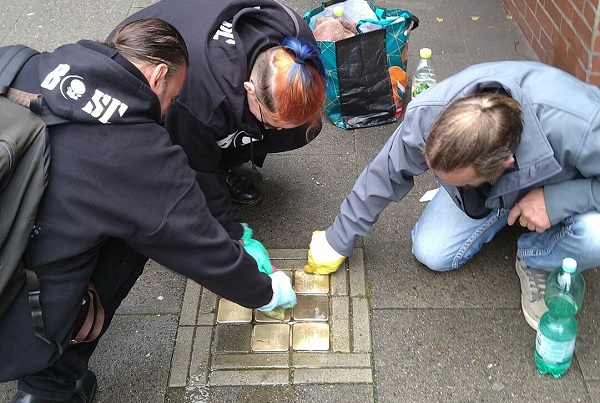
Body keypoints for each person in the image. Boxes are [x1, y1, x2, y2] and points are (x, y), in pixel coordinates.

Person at [0, 18, 295, 403]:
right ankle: (49, 388)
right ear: (157, 77)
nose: (169, 109)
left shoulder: (18, 64)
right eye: (173, 97)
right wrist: (264, 291)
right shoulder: (141, 153)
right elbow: (202, 247)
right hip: (17, 320)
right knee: (138, 238)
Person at [304, 60, 600, 331]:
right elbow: (387, 169)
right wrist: (338, 238)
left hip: (565, 182)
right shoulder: (430, 113)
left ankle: (539, 258)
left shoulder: (583, 125)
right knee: (432, 252)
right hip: (492, 188)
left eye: (458, 180)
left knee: (595, 236)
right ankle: (492, 205)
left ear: (503, 164)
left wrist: (554, 200)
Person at [111, 0, 326, 242]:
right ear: (249, 89)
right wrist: (235, 234)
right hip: (134, 58)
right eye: (270, 121)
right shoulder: (201, 101)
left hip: (193, 23)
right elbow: (198, 167)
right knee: (191, 161)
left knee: (301, 131)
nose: (274, 129)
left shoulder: (299, 46)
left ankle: (229, 151)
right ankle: (215, 170)